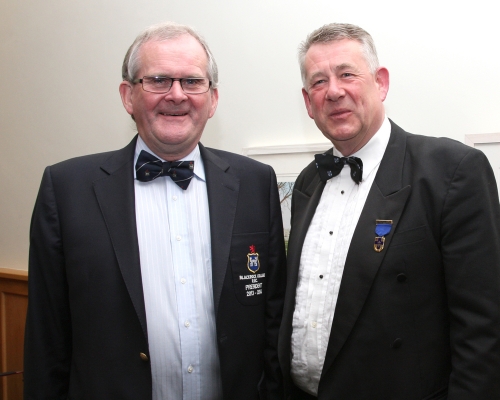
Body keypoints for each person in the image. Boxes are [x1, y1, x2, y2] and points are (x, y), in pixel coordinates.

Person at [24, 22, 286, 400]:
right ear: (128, 96)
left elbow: (273, 319)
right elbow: (46, 338)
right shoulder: (66, 190)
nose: (176, 95)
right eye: (158, 80)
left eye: (192, 82)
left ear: (213, 99)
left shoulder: (255, 183)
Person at [278, 23, 500, 399]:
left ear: (380, 83)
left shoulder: (452, 171)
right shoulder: (307, 182)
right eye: (319, 82)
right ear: (308, 102)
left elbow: (483, 328)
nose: (334, 91)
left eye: (347, 74)